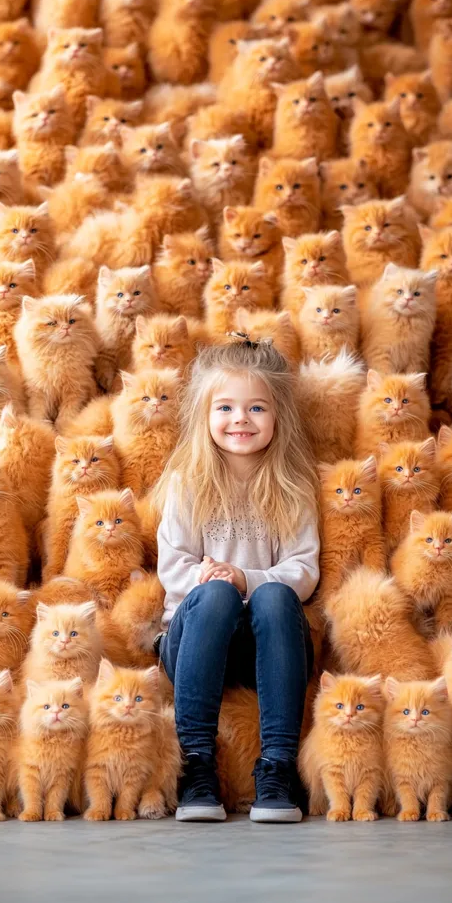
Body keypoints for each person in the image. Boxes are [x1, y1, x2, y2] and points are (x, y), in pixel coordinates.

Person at [153, 338, 320, 823]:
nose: (240, 419)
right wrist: (216, 582)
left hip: (264, 647)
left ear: (278, 416)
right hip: (195, 642)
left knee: (272, 595)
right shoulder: (188, 482)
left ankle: (277, 766)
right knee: (217, 596)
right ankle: (196, 764)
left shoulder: (293, 487)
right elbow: (172, 566)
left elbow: (303, 569)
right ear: (204, 416)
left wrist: (245, 578)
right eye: (225, 407)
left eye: (256, 408)